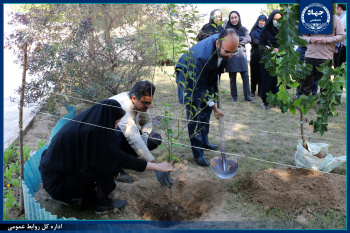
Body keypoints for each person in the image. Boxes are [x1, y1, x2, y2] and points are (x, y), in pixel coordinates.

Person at [39, 99, 174, 214]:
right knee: (105, 162)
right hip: (57, 183)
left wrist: (114, 168)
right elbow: (118, 157)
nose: (115, 127)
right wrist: (156, 166)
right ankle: (103, 204)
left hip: (53, 177)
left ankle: (68, 195)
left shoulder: (86, 124)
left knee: (105, 160)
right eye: (115, 123)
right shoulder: (93, 134)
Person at [176, 29, 239, 166]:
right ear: (218, 43)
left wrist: (214, 96)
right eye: (228, 52)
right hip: (188, 73)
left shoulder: (227, 49)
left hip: (206, 72)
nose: (230, 56)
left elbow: (215, 73)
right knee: (194, 112)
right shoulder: (202, 57)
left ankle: (204, 141)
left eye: (233, 53)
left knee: (205, 111)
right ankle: (198, 153)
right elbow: (198, 88)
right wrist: (215, 107)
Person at [109, 81, 172, 186]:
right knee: (120, 133)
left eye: (150, 102)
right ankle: (114, 167)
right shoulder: (123, 107)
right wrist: (156, 166)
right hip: (104, 141)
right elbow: (133, 138)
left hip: (125, 136)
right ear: (134, 98)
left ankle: (125, 161)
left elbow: (147, 121)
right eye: (145, 103)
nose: (149, 106)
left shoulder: (141, 102)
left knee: (154, 139)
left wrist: (144, 136)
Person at [300, 12, 345, 97]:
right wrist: (310, 39)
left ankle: (323, 104)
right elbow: (304, 37)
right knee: (306, 81)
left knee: (324, 82)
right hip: (310, 55)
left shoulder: (335, 19)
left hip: (325, 56)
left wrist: (327, 40)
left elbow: (342, 36)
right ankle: (304, 101)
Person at [225, 11, 254, 102]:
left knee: (245, 76)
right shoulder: (227, 30)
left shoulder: (244, 29)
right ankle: (234, 96)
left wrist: (235, 41)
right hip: (231, 56)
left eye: (235, 17)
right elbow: (227, 41)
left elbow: (249, 39)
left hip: (242, 55)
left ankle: (247, 96)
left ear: (239, 18)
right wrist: (241, 38)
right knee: (232, 77)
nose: (234, 20)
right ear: (230, 19)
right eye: (232, 18)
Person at [259, 10, 282, 110]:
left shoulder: (283, 32)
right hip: (267, 60)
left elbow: (286, 45)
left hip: (279, 60)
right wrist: (267, 48)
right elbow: (261, 44)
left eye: (279, 19)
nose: (276, 21)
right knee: (267, 80)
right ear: (271, 19)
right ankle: (265, 102)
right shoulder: (265, 31)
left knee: (277, 81)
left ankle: (276, 101)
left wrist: (279, 50)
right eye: (274, 19)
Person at [249, 14, 267, 97]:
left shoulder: (267, 31)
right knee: (253, 72)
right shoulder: (254, 30)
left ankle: (260, 91)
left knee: (262, 73)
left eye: (263, 21)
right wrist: (262, 43)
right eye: (260, 20)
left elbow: (267, 40)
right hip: (254, 55)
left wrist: (259, 42)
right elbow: (252, 40)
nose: (261, 22)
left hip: (264, 55)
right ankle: (252, 90)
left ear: (265, 22)